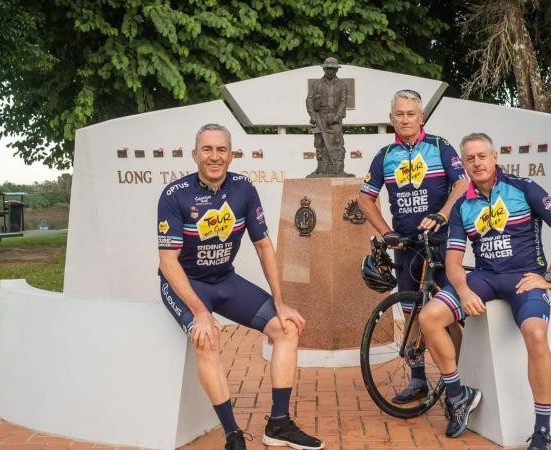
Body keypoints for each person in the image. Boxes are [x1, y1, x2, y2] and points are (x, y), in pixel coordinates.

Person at [157, 124, 323, 450]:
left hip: (224, 280)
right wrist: (200, 313)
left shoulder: (243, 189)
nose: (214, 156)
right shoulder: (175, 195)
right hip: (186, 284)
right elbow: (168, 262)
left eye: (221, 150)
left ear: (230, 155)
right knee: (207, 338)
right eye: (207, 149)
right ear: (195, 155)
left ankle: (278, 424)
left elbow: (263, 246)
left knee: (287, 328)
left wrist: (280, 301)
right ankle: (233, 434)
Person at [419, 133, 551, 448]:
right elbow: (453, 262)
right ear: (464, 164)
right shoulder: (462, 205)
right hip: (485, 277)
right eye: (470, 158)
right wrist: (464, 290)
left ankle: (542, 430)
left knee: (536, 334)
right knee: (430, 317)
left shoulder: (524, 188)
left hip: (524, 278)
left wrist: (548, 276)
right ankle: (458, 396)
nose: (477, 163)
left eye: (482, 156)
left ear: (494, 157)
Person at [358, 89, 469, 403]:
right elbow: (365, 198)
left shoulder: (439, 147)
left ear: (421, 117)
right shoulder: (384, 156)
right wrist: (385, 232)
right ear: (392, 118)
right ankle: (418, 379)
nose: (405, 119)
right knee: (411, 313)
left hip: (441, 243)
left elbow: (462, 183)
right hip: (406, 245)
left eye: (410, 114)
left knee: (452, 314)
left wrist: (443, 213)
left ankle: (458, 378)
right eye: (399, 114)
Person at [306, 57, 350, 177]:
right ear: (324, 69)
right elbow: (309, 100)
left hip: (335, 119)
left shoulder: (342, 85)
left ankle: (338, 169)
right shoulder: (317, 84)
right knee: (320, 143)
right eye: (329, 69)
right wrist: (312, 114)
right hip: (320, 117)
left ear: (336, 70)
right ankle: (321, 169)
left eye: (333, 69)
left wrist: (337, 116)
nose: (331, 71)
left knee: (337, 142)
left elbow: (343, 102)